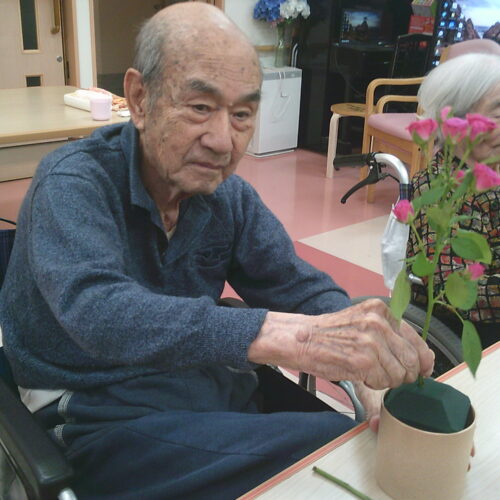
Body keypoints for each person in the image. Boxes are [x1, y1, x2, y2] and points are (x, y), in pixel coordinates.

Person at [0, 4, 433, 499]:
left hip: (198, 387)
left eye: (242, 114)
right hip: (94, 407)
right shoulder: (73, 183)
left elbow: (294, 284)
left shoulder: (226, 198)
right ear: (139, 99)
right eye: (200, 107)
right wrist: (291, 336)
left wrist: (368, 367)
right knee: (337, 456)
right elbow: (99, 312)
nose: (223, 141)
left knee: (359, 450)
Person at [407, 52, 500, 348]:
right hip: (472, 331)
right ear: (456, 123)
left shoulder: (491, 169)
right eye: (497, 116)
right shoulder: (438, 192)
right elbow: (454, 291)